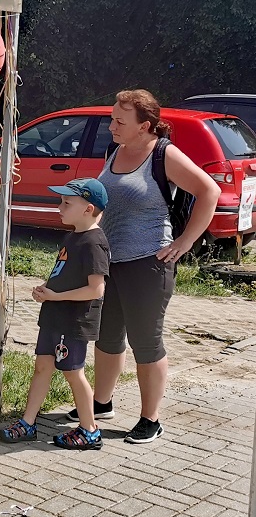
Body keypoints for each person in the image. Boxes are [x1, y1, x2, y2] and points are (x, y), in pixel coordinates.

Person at [87, 89, 219, 444]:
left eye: (119, 120)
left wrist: (185, 242)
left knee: (146, 343)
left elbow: (210, 192)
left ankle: (150, 419)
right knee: (106, 337)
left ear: (144, 126)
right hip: (110, 261)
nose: (111, 125)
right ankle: (101, 403)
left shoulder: (164, 154)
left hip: (148, 263)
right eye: (112, 117)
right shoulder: (116, 149)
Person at [0, 178, 110, 449]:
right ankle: (28, 422)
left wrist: (57, 296)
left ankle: (89, 429)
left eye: (66, 203)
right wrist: (45, 288)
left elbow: (96, 289)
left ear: (88, 209)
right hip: (54, 316)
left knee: (73, 373)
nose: (59, 207)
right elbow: (61, 273)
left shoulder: (94, 242)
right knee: (42, 367)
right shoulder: (71, 237)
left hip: (73, 322)